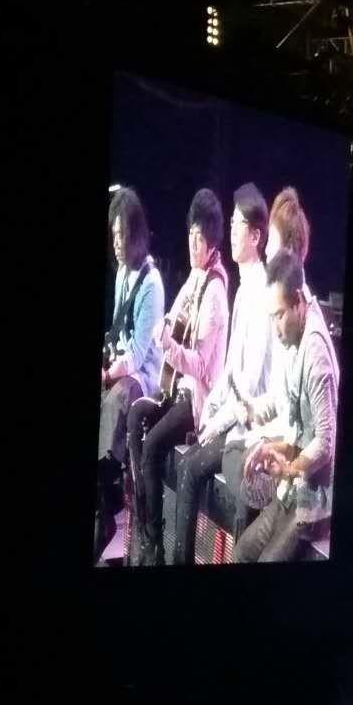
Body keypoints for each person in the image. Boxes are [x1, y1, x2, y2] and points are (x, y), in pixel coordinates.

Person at [167, 184, 275, 564]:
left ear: (256, 236)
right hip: (234, 418)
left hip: (251, 428)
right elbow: (230, 370)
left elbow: (249, 384)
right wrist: (211, 407)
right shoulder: (244, 289)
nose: (230, 232)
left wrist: (217, 421)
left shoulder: (261, 293)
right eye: (230, 223)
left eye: (237, 224)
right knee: (188, 460)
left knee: (191, 468)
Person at [125, 189, 230, 565]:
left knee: (153, 444)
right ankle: (144, 525)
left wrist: (168, 347)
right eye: (189, 235)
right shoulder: (196, 278)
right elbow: (173, 315)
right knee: (135, 416)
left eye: (198, 238)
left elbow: (201, 367)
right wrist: (166, 324)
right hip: (176, 389)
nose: (192, 244)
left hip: (196, 400)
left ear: (212, 242)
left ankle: (154, 545)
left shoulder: (215, 291)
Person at [233, 249, 339, 562]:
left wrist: (288, 469)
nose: (275, 328)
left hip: (315, 502)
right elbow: (298, 430)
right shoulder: (295, 340)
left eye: (279, 315)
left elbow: (325, 442)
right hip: (293, 489)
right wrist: (270, 447)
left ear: (298, 303)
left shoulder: (316, 354)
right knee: (241, 552)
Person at [96, 188, 165, 563]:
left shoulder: (151, 283)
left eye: (122, 235)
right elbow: (118, 336)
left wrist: (109, 373)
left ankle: (107, 499)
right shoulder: (122, 273)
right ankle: (103, 498)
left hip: (144, 378)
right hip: (122, 368)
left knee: (117, 398)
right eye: (113, 235)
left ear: (136, 234)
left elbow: (138, 354)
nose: (117, 243)